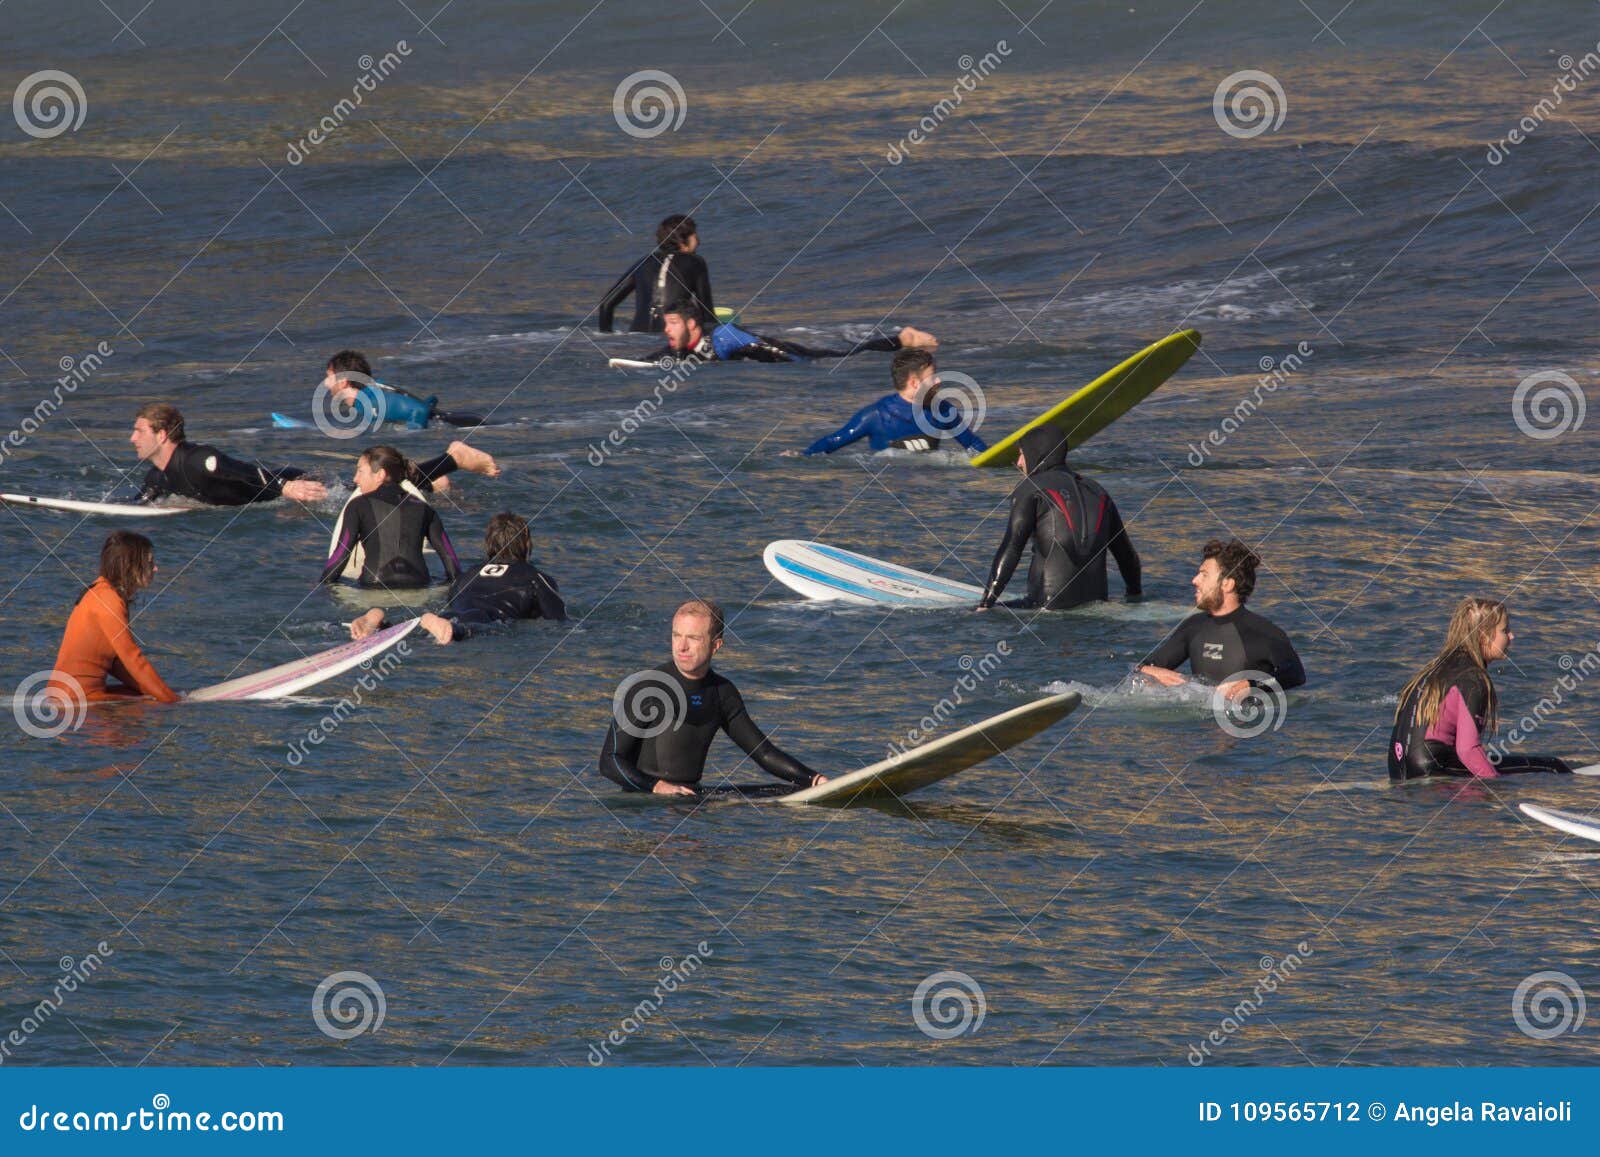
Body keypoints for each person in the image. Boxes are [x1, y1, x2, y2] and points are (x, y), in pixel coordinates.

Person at [599, 599, 828, 795]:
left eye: (693, 638)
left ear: (715, 645)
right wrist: (657, 787)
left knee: (786, 792)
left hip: (690, 798)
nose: (682, 646)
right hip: (645, 804)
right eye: (677, 635)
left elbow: (763, 753)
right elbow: (609, 761)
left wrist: (813, 780)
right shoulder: (647, 687)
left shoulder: (722, 693)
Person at [1389, 597, 1571, 780]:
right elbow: (1467, 749)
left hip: (1399, 770)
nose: (1511, 636)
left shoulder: (1430, 671)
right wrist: (1495, 790)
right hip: (1435, 769)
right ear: (1484, 636)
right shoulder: (1473, 678)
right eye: (1505, 630)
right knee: (1553, 766)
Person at [975, 427, 1140, 611]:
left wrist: (986, 603)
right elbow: (1127, 557)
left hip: (1045, 607)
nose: (1019, 462)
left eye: (1021, 454)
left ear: (1035, 452)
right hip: (1097, 606)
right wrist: (1135, 598)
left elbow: (1012, 548)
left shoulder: (1031, 487)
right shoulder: (1098, 491)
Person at [348, 513, 565, 643]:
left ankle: (382, 624)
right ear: (527, 545)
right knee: (463, 632)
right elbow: (558, 621)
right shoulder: (535, 576)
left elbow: (453, 601)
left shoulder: (468, 574)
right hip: (487, 617)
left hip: (452, 612)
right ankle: (446, 628)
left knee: (435, 628)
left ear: (489, 544)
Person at [1139, 538, 1305, 701]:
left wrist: (1251, 685)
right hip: (1199, 723)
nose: (1194, 580)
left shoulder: (1263, 631)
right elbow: (1144, 666)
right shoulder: (1193, 626)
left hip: (1248, 721)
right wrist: (1152, 671)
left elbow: (1295, 674)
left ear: (1227, 584)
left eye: (1204, 575)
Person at [48, 531, 180, 704]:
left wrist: (160, 692)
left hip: (67, 694)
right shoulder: (108, 600)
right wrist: (173, 702)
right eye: (149, 562)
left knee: (153, 697)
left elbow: (116, 663)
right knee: (152, 708)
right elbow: (132, 658)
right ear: (129, 565)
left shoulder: (102, 590)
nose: (155, 568)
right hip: (76, 700)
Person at [795, 348, 989, 456]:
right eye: (932, 377)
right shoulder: (876, 416)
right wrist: (801, 456)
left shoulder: (943, 410)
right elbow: (833, 441)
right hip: (889, 486)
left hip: (930, 487)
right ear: (914, 383)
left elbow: (973, 445)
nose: (938, 381)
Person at [319, 445, 462, 589]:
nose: (355, 479)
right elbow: (452, 565)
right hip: (420, 587)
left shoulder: (357, 505)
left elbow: (340, 556)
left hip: (372, 587)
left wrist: (321, 585)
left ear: (380, 474)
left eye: (360, 471)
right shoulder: (425, 509)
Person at [131, 403, 326, 505]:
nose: (133, 438)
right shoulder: (156, 477)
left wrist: (285, 486)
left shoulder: (197, 459)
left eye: (139, 431)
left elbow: (240, 470)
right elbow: (137, 505)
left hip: (295, 483)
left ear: (162, 435)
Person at [640, 301, 936, 366]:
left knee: (842, 355)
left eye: (673, 323)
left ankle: (901, 339)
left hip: (785, 352)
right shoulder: (679, 346)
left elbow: (767, 351)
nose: (666, 329)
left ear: (692, 325)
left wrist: (800, 365)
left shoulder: (722, 336)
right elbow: (661, 357)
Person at [598, 214, 715, 333]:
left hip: (635, 338)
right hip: (669, 338)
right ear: (682, 241)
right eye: (695, 235)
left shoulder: (643, 262)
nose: (699, 241)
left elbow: (606, 304)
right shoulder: (696, 262)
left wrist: (606, 337)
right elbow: (708, 315)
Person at [322, 350, 483, 430]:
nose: (326, 383)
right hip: (458, 419)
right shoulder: (371, 395)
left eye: (329, 377)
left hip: (461, 424)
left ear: (343, 382)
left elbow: (419, 409)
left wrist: (413, 435)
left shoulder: (371, 402)